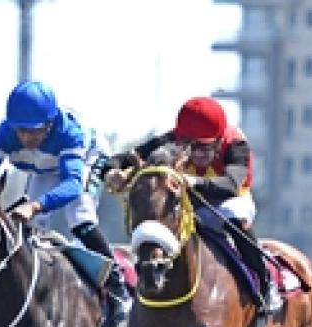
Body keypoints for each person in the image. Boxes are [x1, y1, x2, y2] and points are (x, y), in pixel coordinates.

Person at [0, 80, 131, 327]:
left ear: (51, 123)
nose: (26, 138)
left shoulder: (68, 133)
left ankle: (118, 287)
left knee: (79, 215)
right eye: (20, 131)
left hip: (84, 162)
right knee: (31, 226)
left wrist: (35, 205)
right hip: (45, 167)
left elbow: (73, 185)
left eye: (34, 131)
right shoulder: (5, 133)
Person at [104, 96, 280, 314]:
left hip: (228, 199)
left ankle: (265, 283)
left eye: (204, 148)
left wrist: (192, 181)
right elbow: (125, 157)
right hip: (190, 199)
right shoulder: (174, 138)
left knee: (236, 221)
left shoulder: (235, 144)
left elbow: (231, 184)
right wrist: (112, 172)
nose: (196, 154)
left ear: (218, 140)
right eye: (189, 146)